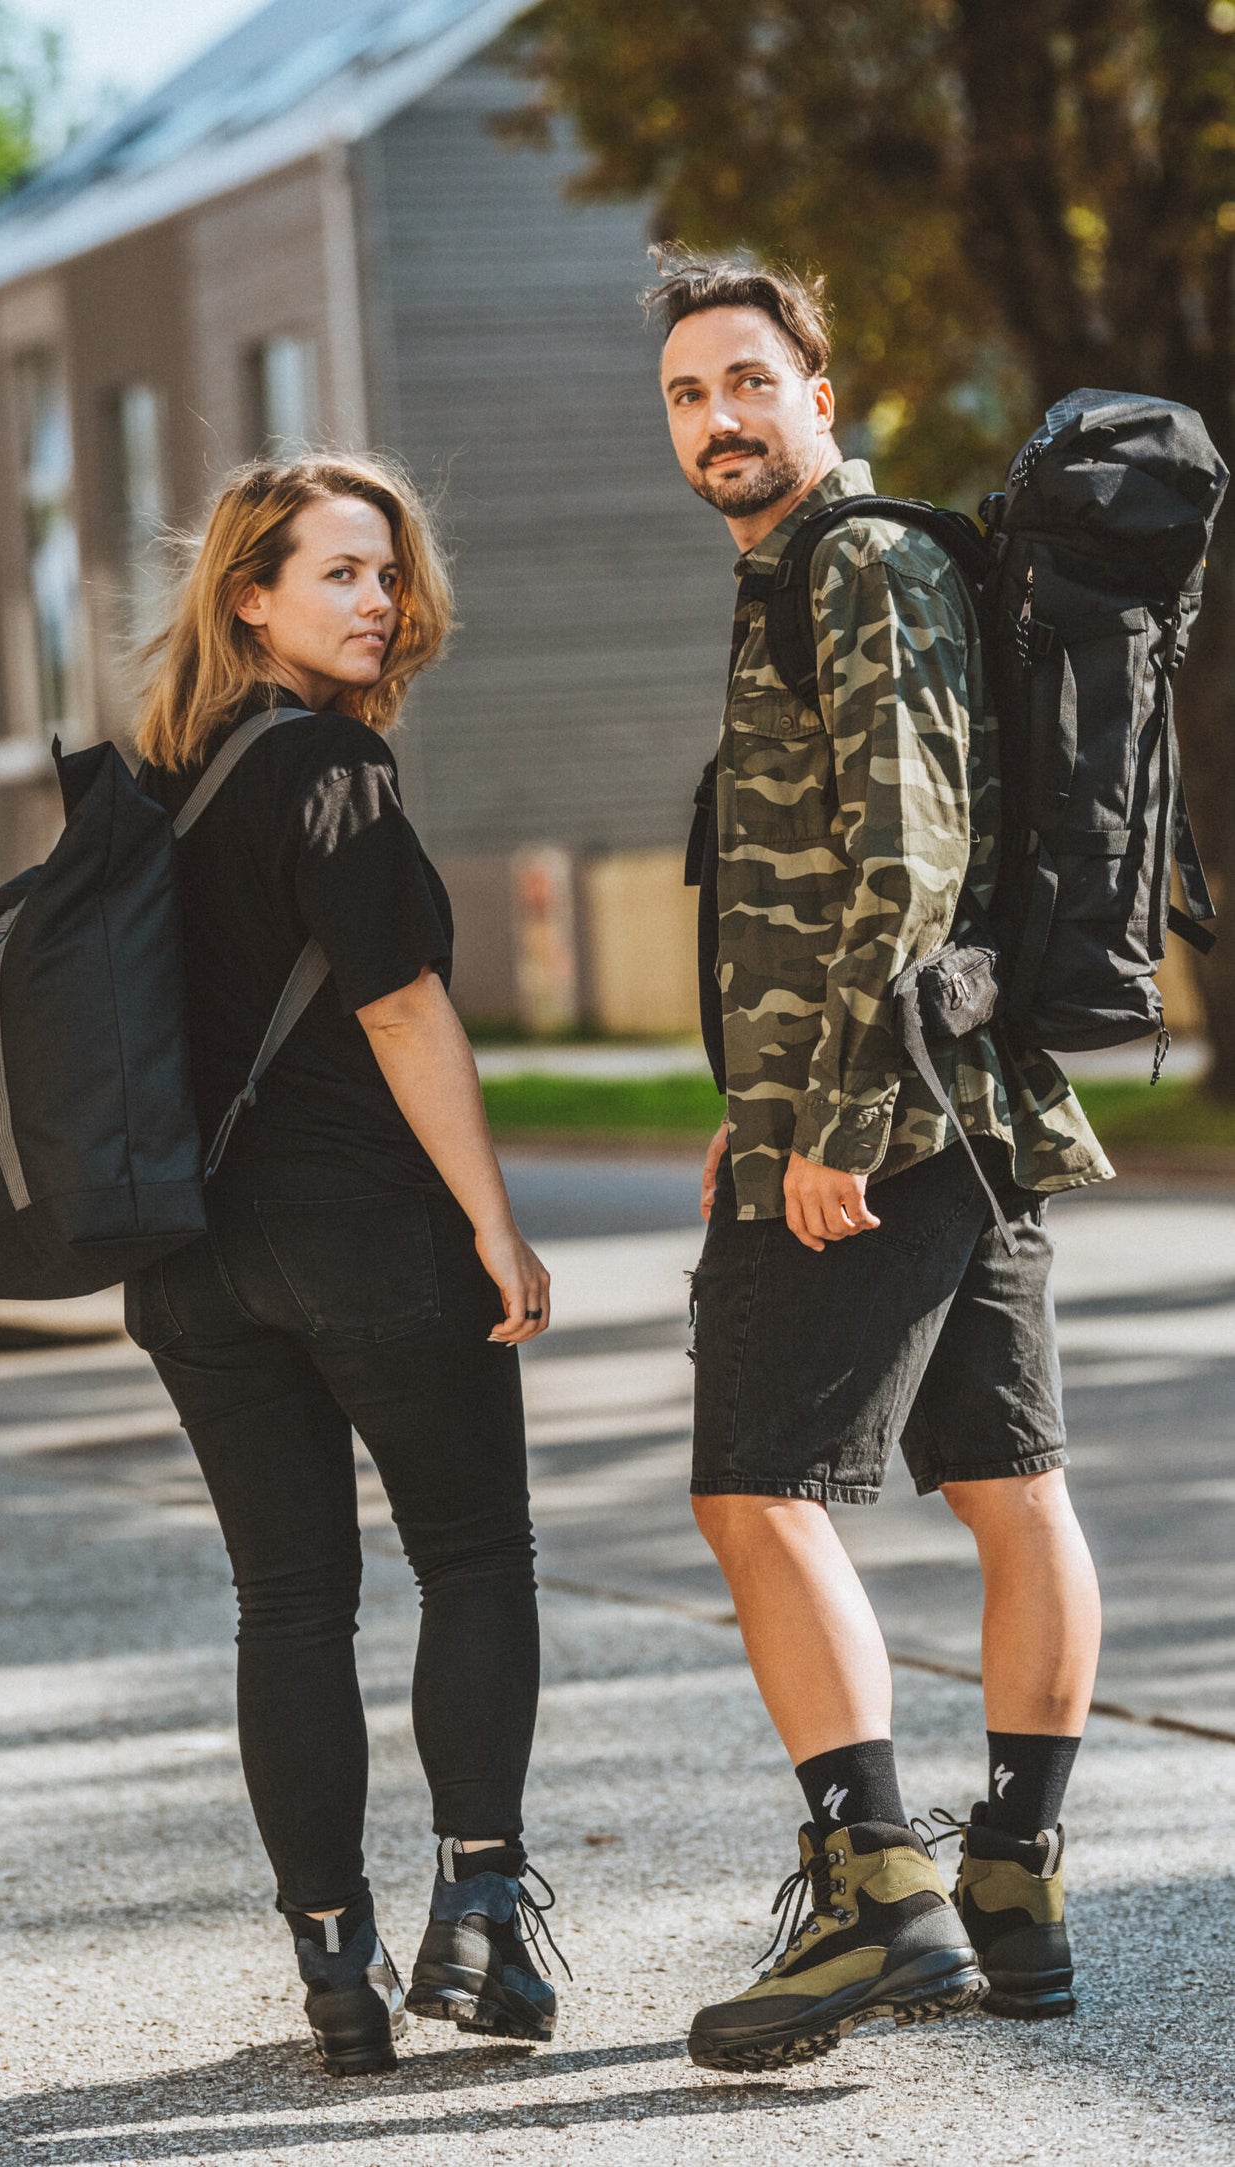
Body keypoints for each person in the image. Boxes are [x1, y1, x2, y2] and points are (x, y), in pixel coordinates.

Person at [648, 251, 1112, 2074]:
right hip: (946, 1100)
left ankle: (874, 1892)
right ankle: (1011, 1875)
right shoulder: (820, 571)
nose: (718, 421)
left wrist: (831, 1120)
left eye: (747, 382)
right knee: (1010, 1483)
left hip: (889, 1115)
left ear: (818, 396)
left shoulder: (856, 563)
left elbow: (905, 854)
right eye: (687, 396)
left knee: (754, 1492)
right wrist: (754, 1093)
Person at [129, 454, 562, 2077]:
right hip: (367, 1237)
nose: (376, 599)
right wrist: (492, 1223)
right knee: (473, 1557)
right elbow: (400, 1008)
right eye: (337, 573)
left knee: (290, 1604)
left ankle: (332, 1967)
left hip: (191, 1262)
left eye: (386, 571)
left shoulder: (151, 785)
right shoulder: (328, 772)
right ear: (250, 595)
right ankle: (480, 1922)